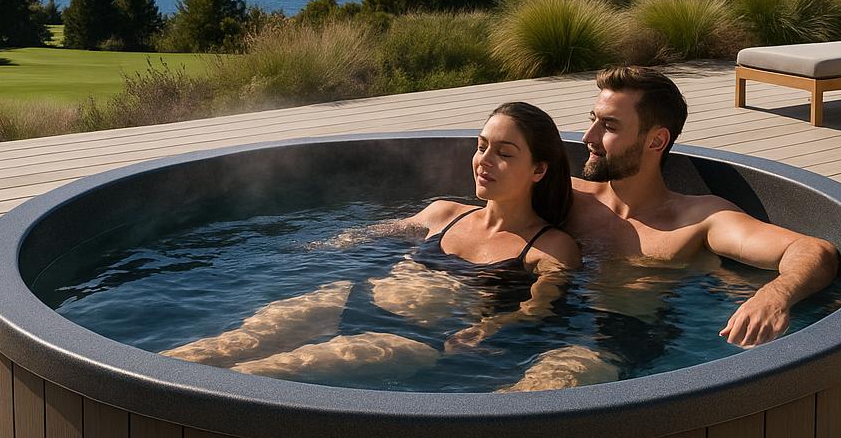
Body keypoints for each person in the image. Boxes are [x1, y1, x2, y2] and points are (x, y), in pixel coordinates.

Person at [163, 102, 581, 383]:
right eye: (481, 146)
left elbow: (539, 309)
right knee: (217, 348)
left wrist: (491, 327)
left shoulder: (548, 247)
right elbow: (369, 233)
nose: (484, 160)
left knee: (260, 374)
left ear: (538, 170)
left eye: (504, 153)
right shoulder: (443, 213)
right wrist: (318, 246)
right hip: (348, 297)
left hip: (412, 338)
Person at [566, 65, 839, 348]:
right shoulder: (569, 196)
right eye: (593, 120)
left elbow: (814, 250)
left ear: (656, 141)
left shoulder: (698, 219)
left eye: (609, 126)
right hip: (561, 324)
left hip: (625, 343)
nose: (588, 137)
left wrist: (774, 295)